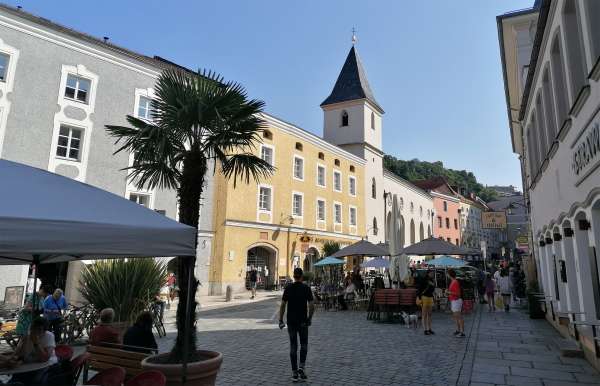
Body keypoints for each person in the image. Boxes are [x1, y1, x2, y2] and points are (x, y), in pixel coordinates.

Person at [279, 267, 315, 383]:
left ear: (294, 276)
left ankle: (294, 373)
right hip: (303, 321)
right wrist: (309, 318)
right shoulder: (306, 288)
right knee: (304, 344)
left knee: (293, 346)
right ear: (302, 276)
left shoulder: (288, 288)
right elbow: (311, 305)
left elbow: (283, 305)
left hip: (291, 322)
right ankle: (302, 367)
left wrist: (280, 319)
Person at [11, 317, 57, 385]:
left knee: (36, 381)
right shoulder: (26, 336)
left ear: (44, 331)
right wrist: (23, 342)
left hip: (46, 365)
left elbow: (45, 359)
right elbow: (17, 355)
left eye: (39, 329)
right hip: (29, 365)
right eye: (32, 328)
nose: (34, 331)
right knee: (16, 378)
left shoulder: (49, 336)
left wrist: (36, 343)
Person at [417, 270, 436, 335]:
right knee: (424, 314)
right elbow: (419, 289)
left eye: (433, 273)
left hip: (430, 297)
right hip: (424, 297)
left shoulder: (432, 280)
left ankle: (429, 329)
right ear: (428, 273)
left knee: (430, 314)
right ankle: (425, 329)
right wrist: (419, 298)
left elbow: (433, 290)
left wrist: (433, 286)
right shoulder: (423, 279)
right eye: (431, 273)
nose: (432, 274)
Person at [447, 269, 465, 338]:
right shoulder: (453, 281)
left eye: (447, 274)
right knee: (456, 317)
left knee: (459, 316)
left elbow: (457, 293)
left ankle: (462, 332)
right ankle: (458, 330)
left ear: (450, 274)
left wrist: (449, 292)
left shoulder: (455, 282)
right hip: (454, 300)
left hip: (456, 300)